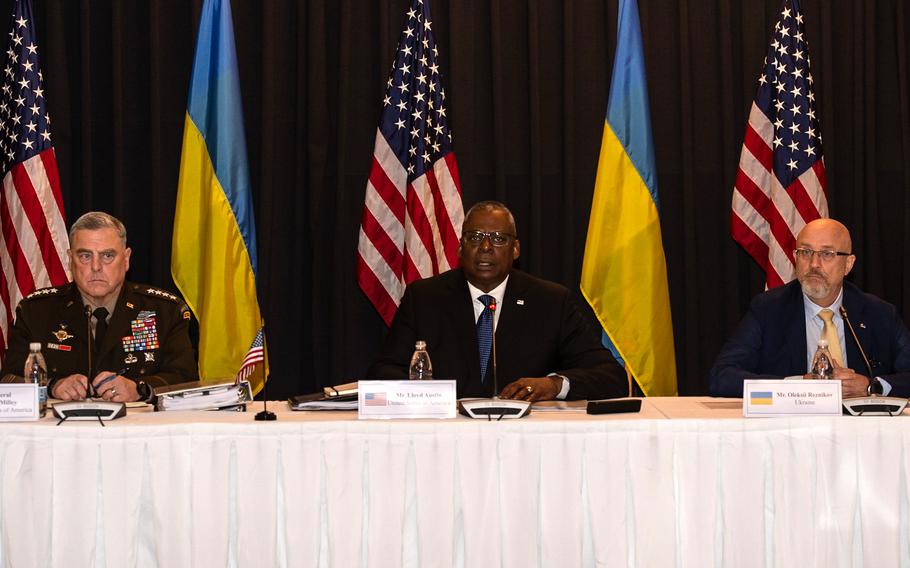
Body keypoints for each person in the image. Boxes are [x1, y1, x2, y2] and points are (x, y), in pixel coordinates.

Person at [366, 201, 628, 401]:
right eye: (475, 237)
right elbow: (382, 373)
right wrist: (435, 396)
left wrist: (553, 385)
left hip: (525, 441)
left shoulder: (551, 301)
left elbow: (610, 376)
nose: (486, 248)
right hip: (445, 434)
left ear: (515, 250)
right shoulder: (424, 298)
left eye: (499, 239)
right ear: (460, 248)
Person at [1, 212, 197, 402]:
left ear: (126, 259)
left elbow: (187, 381)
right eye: (85, 256)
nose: (96, 267)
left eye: (107, 256)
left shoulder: (165, 311)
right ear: (70, 258)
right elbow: (8, 380)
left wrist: (140, 389)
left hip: (139, 432)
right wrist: (52, 386)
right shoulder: (36, 312)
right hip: (60, 432)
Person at [709, 218, 910, 398]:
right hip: (792, 431)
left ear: (848, 264)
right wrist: (799, 385)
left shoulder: (879, 313)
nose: (814, 264)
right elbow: (722, 377)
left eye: (827, 254)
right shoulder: (768, 309)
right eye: (805, 252)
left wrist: (871, 387)